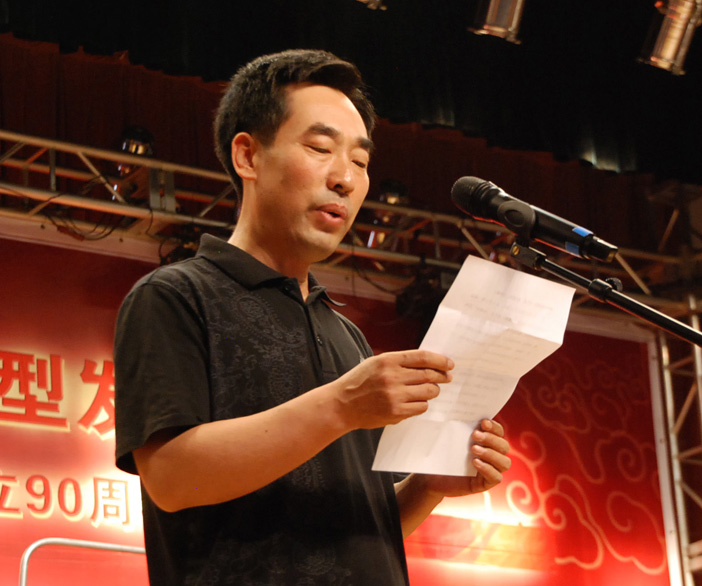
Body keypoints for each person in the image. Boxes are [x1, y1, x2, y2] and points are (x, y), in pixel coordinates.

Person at [114, 49, 511, 586]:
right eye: (321, 149)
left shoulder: (346, 335)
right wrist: (342, 405)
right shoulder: (175, 297)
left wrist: (427, 487)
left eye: (360, 162)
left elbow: (359, 528)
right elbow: (171, 478)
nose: (345, 178)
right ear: (248, 156)